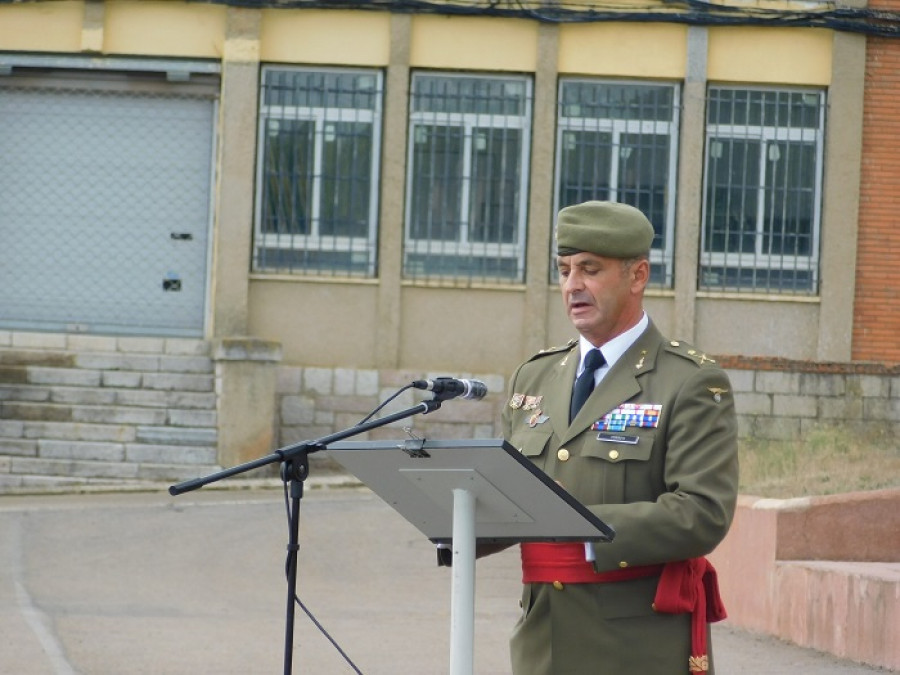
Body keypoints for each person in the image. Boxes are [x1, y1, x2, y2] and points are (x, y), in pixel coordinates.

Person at [494, 201, 739, 674]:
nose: (572, 286)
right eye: (565, 271)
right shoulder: (535, 377)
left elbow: (703, 512)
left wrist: (579, 523)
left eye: (590, 269)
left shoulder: (687, 381)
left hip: (634, 647)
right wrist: (459, 516)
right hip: (541, 642)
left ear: (637, 275)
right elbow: (509, 497)